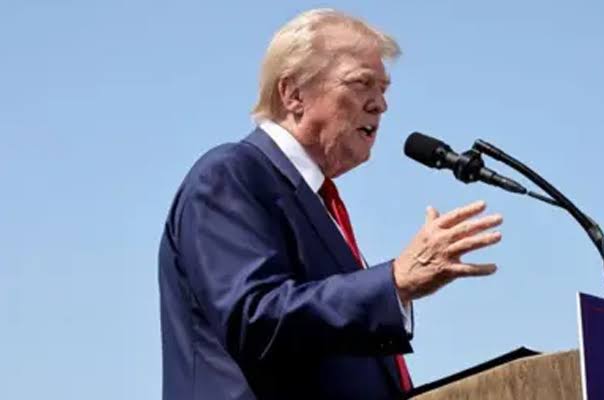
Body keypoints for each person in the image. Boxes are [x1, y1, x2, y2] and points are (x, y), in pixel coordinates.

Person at [158, 8, 503, 400]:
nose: (380, 104)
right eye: (361, 84)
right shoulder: (230, 174)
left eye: (383, 89)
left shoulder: (319, 202)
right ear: (294, 94)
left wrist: (392, 291)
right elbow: (254, 319)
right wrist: (393, 284)